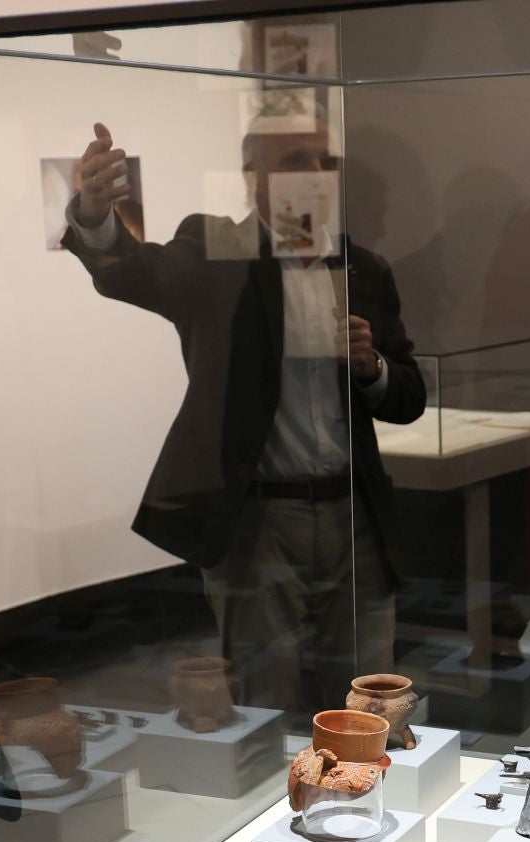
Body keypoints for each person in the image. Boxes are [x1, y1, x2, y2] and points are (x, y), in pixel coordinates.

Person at [62, 117, 427, 715]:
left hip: (354, 514)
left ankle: (368, 805)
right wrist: (96, 214)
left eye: (319, 162)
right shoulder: (216, 251)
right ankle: (283, 804)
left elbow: (409, 395)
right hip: (257, 519)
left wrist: (373, 369)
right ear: (252, 177)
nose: (311, 174)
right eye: (292, 161)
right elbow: (135, 272)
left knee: (371, 700)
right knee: (267, 698)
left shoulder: (364, 268)